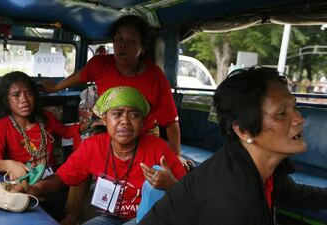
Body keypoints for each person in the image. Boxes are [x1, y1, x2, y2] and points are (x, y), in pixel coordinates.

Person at [139, 67, 327, 225]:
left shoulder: (265, 168)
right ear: (244, 131)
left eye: (294, 107)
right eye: (281, 113)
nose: (299, 119)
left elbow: (296, 194)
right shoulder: (232, 201)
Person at [23, 86, 186, 225]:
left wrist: (170, 184)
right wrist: (34, 189)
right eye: (117, 113)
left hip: (148, 219)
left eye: (134, 115)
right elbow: (61, 178)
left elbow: (190, 192)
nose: (125, 121)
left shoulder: (158, 149)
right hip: (111, 218)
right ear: (104, 119)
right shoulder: (92, 146)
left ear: (142, 122)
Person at [42, 15, 181, 157]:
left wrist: (176, 156)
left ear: (143, 47)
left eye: (131, 40)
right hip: (110, 132)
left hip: (144, 136)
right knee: (84, 154)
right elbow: (80, 75)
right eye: (119, 39)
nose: (123, 45)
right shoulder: (100, 64)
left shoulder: (155, 76)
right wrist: (55, 88)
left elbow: (170, 121)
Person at [0, 71, 84, 220]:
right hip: (24, 180)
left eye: (28, 93)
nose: (24, 100)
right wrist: (11, 165)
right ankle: (15, 194)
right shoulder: (2, 126)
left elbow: (67, 132)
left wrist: (90, 125)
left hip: (52, 181)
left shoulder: (46, 117)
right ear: (6, 100)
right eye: (16, 95)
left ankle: (21, 196)